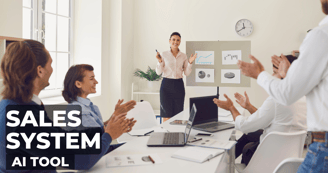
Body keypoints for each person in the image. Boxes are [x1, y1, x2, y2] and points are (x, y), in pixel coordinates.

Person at [0, 40, 132, 172]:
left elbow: (62, 137)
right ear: (40, 71)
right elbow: (81, 160)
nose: (52, 69)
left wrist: (104, 130)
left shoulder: (12, 105)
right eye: (50, 64)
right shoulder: (22, 117)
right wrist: (109, 135)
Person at [237, 1, 328, 171]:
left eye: (275, 71)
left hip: (323, 145)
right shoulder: (304, 100)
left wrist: (259, 74)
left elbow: (286, 95)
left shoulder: (321, 35)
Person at [213, 55, 306, 166]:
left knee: (248, 139)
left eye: (275, 72)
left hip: (267, 159)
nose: (272, 76)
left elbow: (244, 125)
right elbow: (270, 119)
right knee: (250, 135)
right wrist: (248, 107)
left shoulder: (276, 100)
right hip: (288, 157)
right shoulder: (304, 97)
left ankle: (222, 164)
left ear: (285, 74)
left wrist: (231, 108)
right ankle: (225, 161)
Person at [62, 64, 137, 153]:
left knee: (134, 146)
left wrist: (117, 119)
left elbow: (100, 128)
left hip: (97, 150)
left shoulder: (90, 106)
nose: (96, 82)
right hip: (90, 155)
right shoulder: (78, 111)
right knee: (133, 149)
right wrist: (116, 120)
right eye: (91, 78)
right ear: (78, 84)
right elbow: (97, 137)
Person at [156, 32, 197, 122]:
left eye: (178, 40)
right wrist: (159, 61)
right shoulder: (164, 54)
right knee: (166, 115)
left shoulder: (183, 56)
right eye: (173, 39)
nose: (175, 42)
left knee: (178, 115)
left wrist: (190, 62)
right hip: (166, 85)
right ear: (169, 41)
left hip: (178, 85)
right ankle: (166, 135)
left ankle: (176, 135)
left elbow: (186, 73)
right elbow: (158, 72)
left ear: (180, 41)